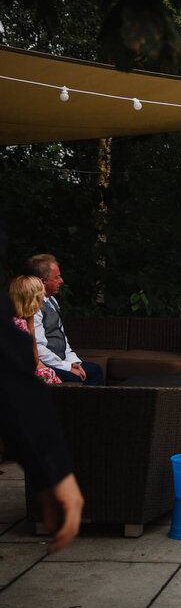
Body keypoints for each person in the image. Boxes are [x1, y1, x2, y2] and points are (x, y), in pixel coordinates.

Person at [0, 220, 83, 554]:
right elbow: (23, 362)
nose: (61, 281)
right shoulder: (20, 321)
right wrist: (53, 467)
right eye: (57, 276)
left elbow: (51, 345)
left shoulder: (35, 313)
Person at [25, 254, 103, 385]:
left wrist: (75, 362)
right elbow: (38, 348)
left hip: (60, 361)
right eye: (56, 278)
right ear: (43, 281)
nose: (61, 281)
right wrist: (66, 367)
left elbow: (62, 337)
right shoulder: (33, 305)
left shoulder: (52, 300)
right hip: (45, 364)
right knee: (77, 378)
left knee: (94, 370)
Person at [8, 275, 60, 384]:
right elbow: (34, 360)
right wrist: (31, 322)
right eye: (41, 295)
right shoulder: (20, 325)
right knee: (48, 375)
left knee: (50, 374)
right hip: (15, 380)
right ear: (33, 299)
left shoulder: (13, 320)